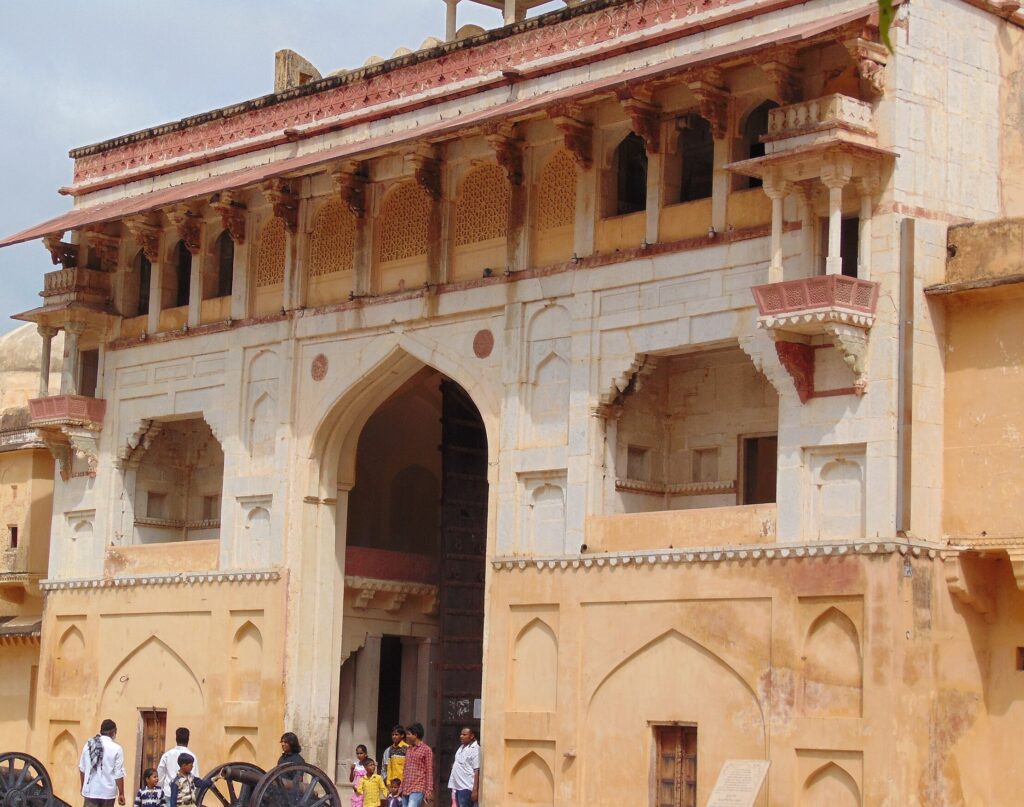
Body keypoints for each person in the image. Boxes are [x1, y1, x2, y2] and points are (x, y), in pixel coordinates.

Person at [79, 719, 126, 807]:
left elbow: (82, 769)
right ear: (113, 732)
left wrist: (83, 786)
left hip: (91, 791)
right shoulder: (116, 748)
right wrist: (121, 793)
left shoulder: (88, 745)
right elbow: (118, 774)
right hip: (107, 793)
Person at [158, 728, 200, 803]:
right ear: (188, 739)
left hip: (169, 794)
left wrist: (160, 792)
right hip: (185, 797)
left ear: (176, 738)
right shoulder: (192, 756)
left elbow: (160, 776)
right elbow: (195, 777)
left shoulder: (167, 755)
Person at [398, 723, 432, 807]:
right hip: (406, 787)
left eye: (409, 734)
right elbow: (405, 770)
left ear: (415, 735)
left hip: (418, 787)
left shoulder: (426, 750)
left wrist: (429, 790)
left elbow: (429, 771)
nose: (407, 736)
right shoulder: (408, 749)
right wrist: (401, 787)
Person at [447, 727, 479, 807]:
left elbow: (476, 770)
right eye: (461, 734)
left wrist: (475, 790)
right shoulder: (461, 747)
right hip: (457, 787)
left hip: (466, 787)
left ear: (471, 736)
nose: (461, 736)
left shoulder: (475, 749)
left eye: (464, 734)